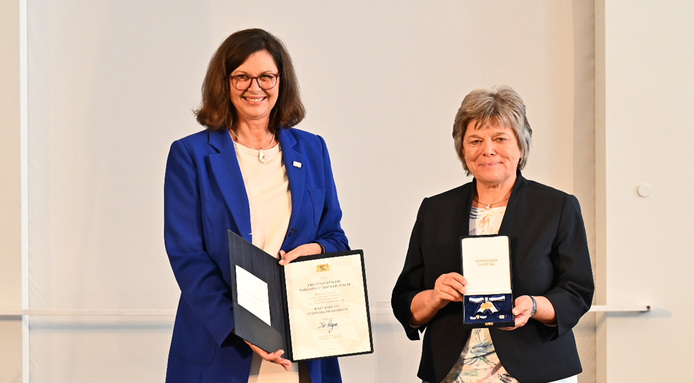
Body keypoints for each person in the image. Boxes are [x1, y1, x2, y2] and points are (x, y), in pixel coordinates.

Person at [164, 28, 348, 383]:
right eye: (242, 77)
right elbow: (187, 255)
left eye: (266, 76)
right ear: (224, 82)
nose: (255, 87)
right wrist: (240, 326)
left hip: (302, 345)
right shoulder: (191, 155)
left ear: (281, 81)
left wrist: (315, 248)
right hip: (222, 345)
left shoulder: (312, 150)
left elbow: (334, 237)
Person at [391, 86, 594, 383]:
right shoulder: (434, 210)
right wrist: (435, 296)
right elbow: (404, 301)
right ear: (463, 149)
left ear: (521, 146)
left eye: (500, 139)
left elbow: (577, 292)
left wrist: (534, 307)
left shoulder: (557, 206)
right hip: (452, 373)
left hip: (537, 370)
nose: (487, 150)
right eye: (475, 140)